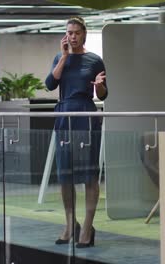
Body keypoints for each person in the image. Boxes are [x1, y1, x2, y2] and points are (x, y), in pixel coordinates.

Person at [45, 16, 108, 248]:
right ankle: (71, 224)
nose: (72, 36)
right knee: (65, 175)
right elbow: (50, 84)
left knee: (89, 174)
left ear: (84, 34)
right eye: (69, 32)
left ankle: (88, 227)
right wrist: (63, 57)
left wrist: (99, 86)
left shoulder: (94, 60)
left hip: (86, 116)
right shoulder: (60, 58)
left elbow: (102, 95)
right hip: (64, 116)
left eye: (76, 32)